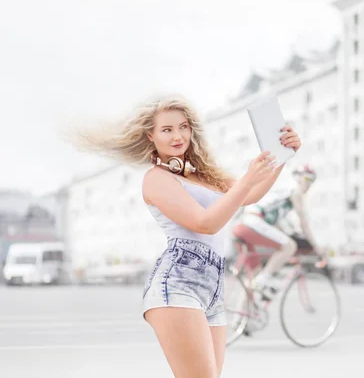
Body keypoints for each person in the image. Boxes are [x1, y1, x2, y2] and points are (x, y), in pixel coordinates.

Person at [72, 94, 302, 378]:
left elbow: (250, 194)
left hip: (213, 286)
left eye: (183, 126)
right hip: (178, 282)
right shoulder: (157, 179)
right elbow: (205, 223)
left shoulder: (205, 175)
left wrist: (282, 157)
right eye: (167, 130)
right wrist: (247, 180)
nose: (178, 135)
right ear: (151, 136)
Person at [232, 164, 321, 293]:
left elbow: (276, 225)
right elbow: (304, 224)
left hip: (243, 223)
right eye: (307, 179)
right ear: (298, 178)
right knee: (290, 246)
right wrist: (316, 247)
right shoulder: (295, 192)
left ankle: (241, 312)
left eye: (312, 181)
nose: (309, 184)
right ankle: (263, 280)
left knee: (253, 280)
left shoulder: (282, 194)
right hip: (253, 221)